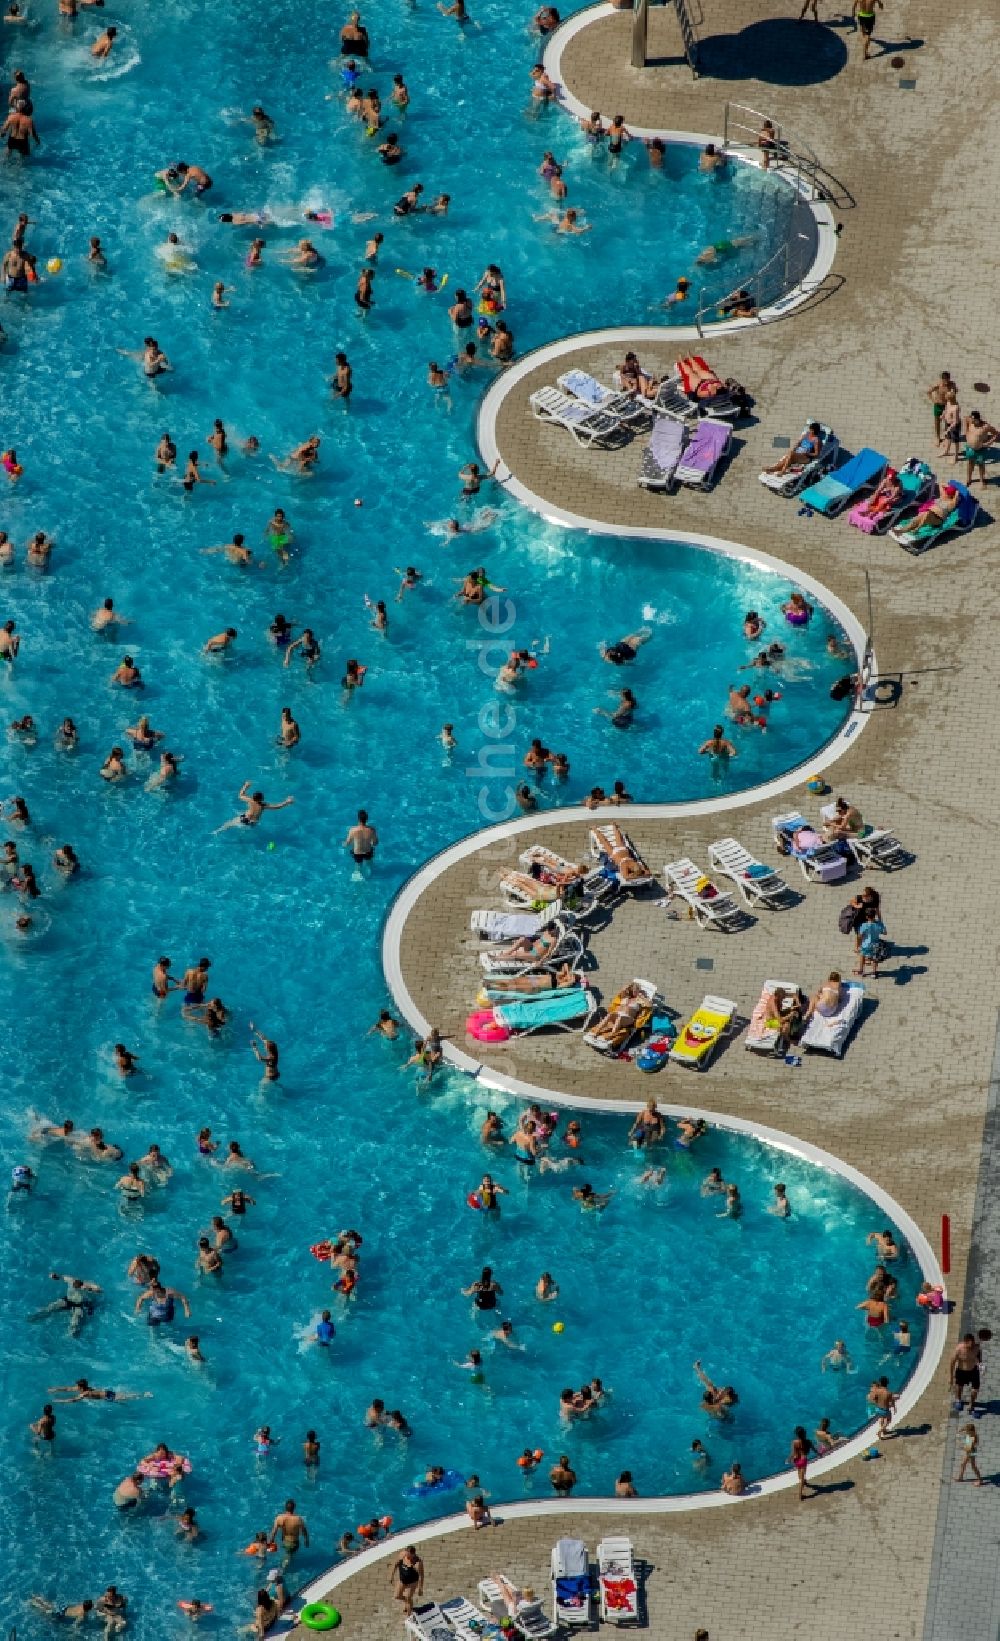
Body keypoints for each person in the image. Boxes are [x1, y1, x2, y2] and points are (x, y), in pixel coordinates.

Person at [215, 782, 294, 832]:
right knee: (244, 830)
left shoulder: (250, 800)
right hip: (253, 823)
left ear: (253, 797)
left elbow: (240, 795)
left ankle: (217, 831)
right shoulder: (263, 805)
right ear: (262, 799)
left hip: (244, 819)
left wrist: (245, 786)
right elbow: (277, 807)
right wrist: (287, 802)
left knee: (229, 824)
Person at [963, 410, 998, 487]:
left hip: (980, 449)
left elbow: (996, 433)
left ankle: (982, 480)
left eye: (973, 420)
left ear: (977, 419)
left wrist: (989, 443)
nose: (971, 421)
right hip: (970, 448)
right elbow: (965, 419)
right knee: (969, 464)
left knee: (981, 465)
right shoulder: (969, 421)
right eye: (971, 419)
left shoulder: (985, 426)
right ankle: (968, 479)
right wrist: (966, 432)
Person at [950, 1333, 983, 1413]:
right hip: (961, 1371)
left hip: (973, 1370)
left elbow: (979, 1358)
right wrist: (951, 1377)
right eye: (969, 1346)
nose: (971, 1347)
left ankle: (971, 1404)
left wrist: (980, 1365)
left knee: (975, 1389)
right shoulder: (959, 1349)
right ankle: (958, 1400)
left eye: (972, 1344)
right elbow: (952, 1363)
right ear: (964, 1343)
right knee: (959, 1387)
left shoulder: (977, 1348)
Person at [391, 1546, 424, 1616]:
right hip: (402, 1579)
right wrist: (391, 1576)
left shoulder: (417, 1562)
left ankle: (409, 1615)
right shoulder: (402, 1555)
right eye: (406, 1554)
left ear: (413, 1554)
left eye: (409, 1556)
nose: (407, 1557)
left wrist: (420, 1588)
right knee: (397, 1596)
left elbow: (421, 1576)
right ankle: (406, 1601)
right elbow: (395, 1565)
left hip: (412, 1582)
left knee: (408, 1597)